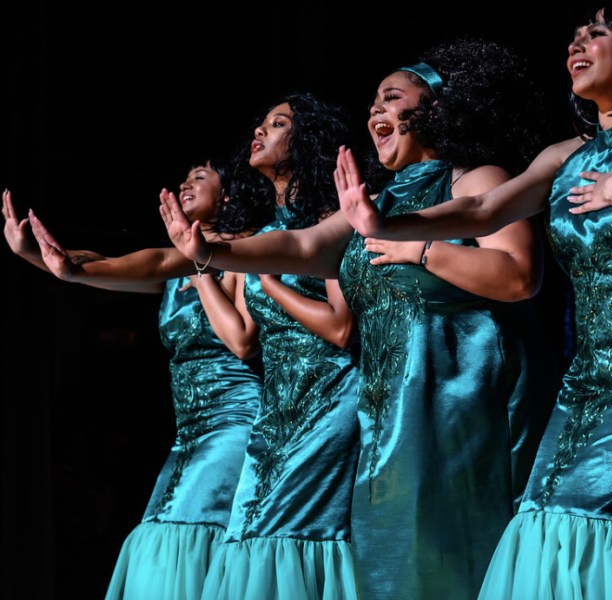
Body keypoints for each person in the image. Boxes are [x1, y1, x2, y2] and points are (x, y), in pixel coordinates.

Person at [335, 5, 612, 599]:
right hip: (590, 379)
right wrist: (385, 221)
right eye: (575, 35)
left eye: (597, 33)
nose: (577, 42)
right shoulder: (562, 156)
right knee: (545, 524)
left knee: (587, 520)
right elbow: (481, 210)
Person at [160, 39, 557, 600]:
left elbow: (518, 276)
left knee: (460, 560)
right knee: (390, 567)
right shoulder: (372, 204)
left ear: (436, 110)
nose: (375, 110)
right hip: (389, 413)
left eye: (391, 98)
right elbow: (298, 247)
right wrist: (207, 254)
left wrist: (421, 251)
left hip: (463, 400)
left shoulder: (475, 178)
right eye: (372, 101)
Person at [4, 157, 268, 600]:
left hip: (236, 421)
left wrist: (200, 263)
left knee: (180, 534)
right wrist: (36, 254)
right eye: (183, 178)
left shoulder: (245, 253)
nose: (185, 184)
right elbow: (105, 264)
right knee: (170, 537)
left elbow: (244, 342)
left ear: (228, 195)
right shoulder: (175, 262)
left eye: (199, 178)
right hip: (190, 431)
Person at [183, 93, 362, 600]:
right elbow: (242, 338)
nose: (259, 132)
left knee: (291, 537)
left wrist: (273, 283)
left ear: (305, 140)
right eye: (260, 124)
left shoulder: (329, 217)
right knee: (249, 534)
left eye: (277, 124)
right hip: (275, 408)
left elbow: (341, 328)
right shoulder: (262, 233)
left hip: (328, 398)